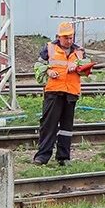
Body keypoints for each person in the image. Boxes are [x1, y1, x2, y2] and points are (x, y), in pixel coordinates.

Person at [33, 22, 89, 166]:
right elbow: (38, 66)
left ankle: (63, 157)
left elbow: (87, 68)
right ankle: (42, 156)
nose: (69, 41)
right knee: (48, 125)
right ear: (59, 37)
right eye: (66, 38)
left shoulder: (79, 51)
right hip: (54, 91)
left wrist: (77, 66)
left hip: (71, 93)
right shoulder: (49, 48)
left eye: (71, 38)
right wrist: (48, 71)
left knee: (66, 127)